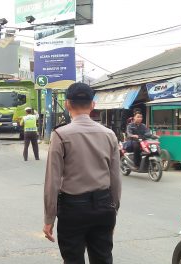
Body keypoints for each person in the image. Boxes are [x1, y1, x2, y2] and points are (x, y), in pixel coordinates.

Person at [43, 83, 121, 264]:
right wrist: (113, 210)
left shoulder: (60, 135)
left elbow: (52, 181)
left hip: (72, 209)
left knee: (73, 260)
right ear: (93, 104)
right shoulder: (109, 134)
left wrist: (49, 218)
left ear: (68, 104)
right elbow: (115, 178)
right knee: (103, 259)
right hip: (103, 207)